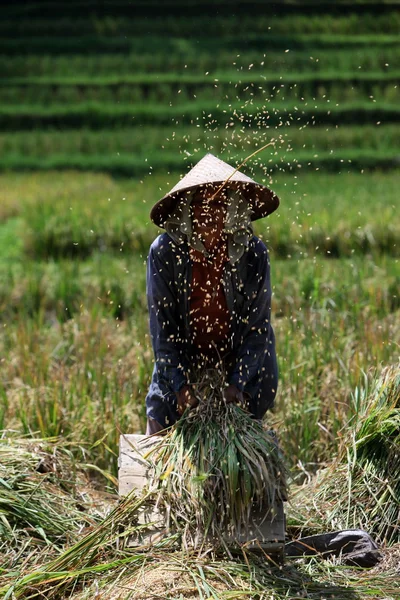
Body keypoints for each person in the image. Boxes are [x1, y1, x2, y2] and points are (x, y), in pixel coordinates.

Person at [145, 153, 280, 435]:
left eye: (219, 204)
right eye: (201, 204)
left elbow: (257, 328)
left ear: (232, 211)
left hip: (236, 354)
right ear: (187, 210)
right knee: (161, 423)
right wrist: (181, 388)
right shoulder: (166, 252)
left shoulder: (251, 253)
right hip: (185, 355)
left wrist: (237, 383)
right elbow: (163, 331)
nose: (210, 212)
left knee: (246, 433)